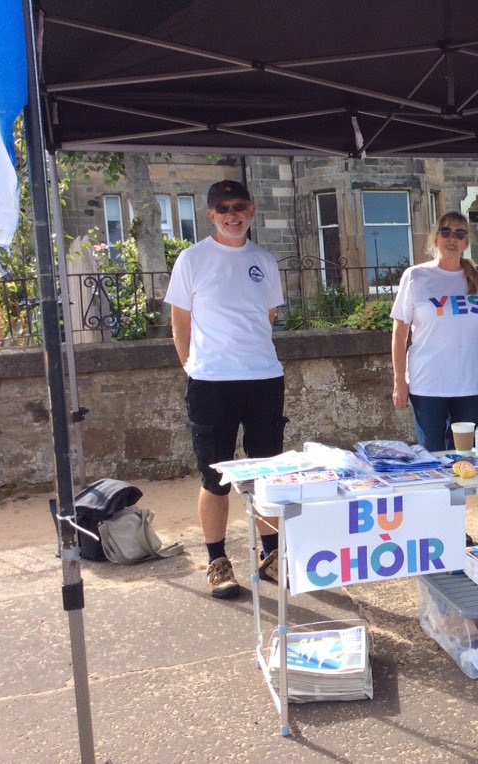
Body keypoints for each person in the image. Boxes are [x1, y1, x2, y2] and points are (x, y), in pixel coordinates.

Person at [165, 180, 287, 599]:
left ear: (251, 211)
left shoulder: (264, 260)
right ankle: (218, 562)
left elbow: (267, 316)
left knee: (265, 473)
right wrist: (192, 368)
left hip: (264, 379)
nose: (232, 215)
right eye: (223, 208)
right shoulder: (192, 259)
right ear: (211, 215)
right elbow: (180, 323)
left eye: (239, 207)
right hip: (212, 383)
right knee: (215, 476)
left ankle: (271, 555)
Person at [390, 211, 478, 452]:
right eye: (446, 231)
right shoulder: (416, 276)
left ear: (466, 242)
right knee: (432, 456)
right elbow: (399, 333)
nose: (452, 238)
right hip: (428, 384)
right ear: (436, 238)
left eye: (459, 233)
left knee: (466, 456)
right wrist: (399, 381)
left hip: (471, 383)